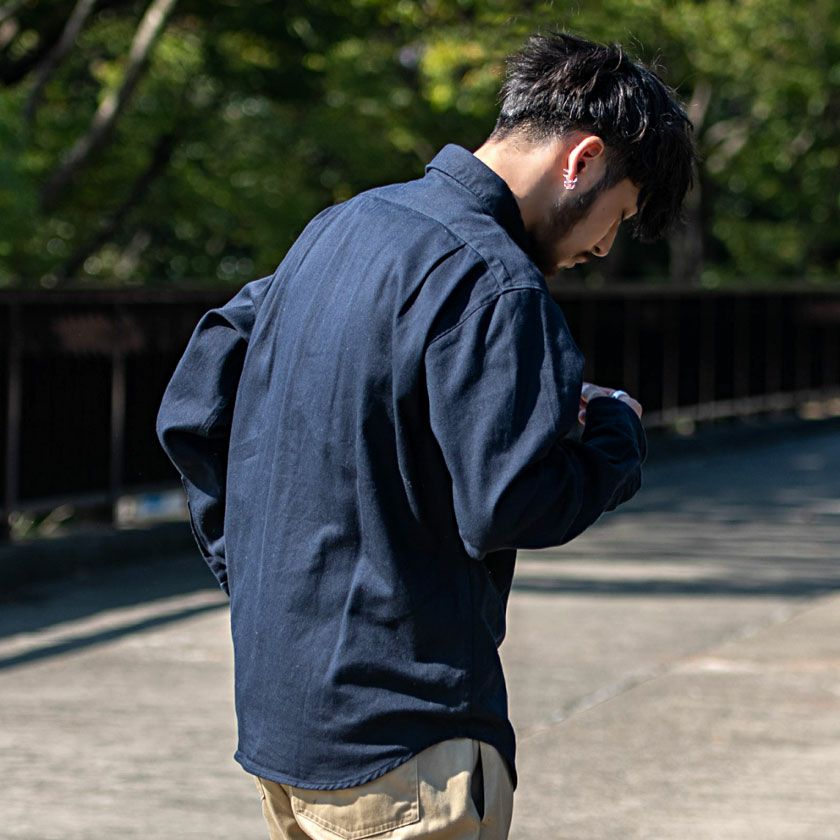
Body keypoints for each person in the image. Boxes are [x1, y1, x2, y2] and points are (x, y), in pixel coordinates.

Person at [156, 29, 695, 840]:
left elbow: (196, 401)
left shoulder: (339, 228)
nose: (603, 245)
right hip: (406, 742)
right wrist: (614, 435)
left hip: (284, 718)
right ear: (582, 160)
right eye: (617, 217)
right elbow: (512, 501)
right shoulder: (496, 281)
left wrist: (261, 584)